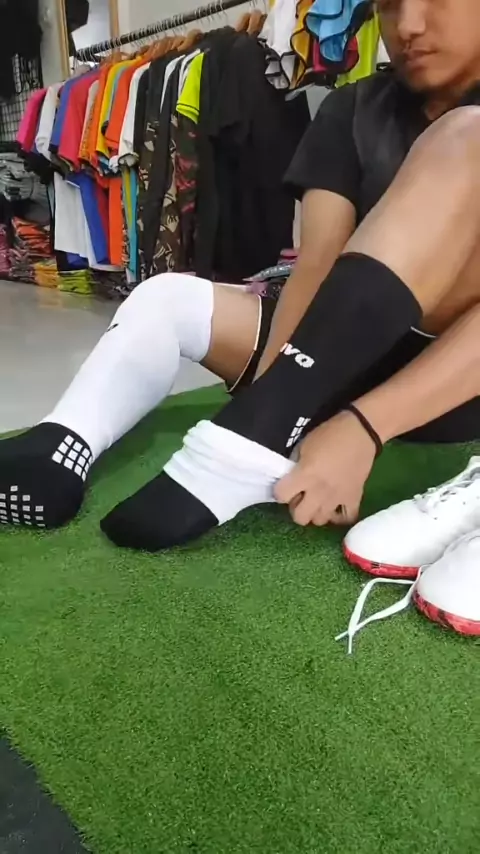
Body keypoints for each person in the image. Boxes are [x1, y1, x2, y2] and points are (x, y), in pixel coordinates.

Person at [2, 0, 480, 551]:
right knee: (165, 299)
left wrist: (365, 425)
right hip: (337, 355)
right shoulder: (354, 107)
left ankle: (266, 428)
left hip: (452, 386)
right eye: (391, 5)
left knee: (466, 136)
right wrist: (266, 409)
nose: (410, 25)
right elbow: (317, 263)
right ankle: (61, 445)